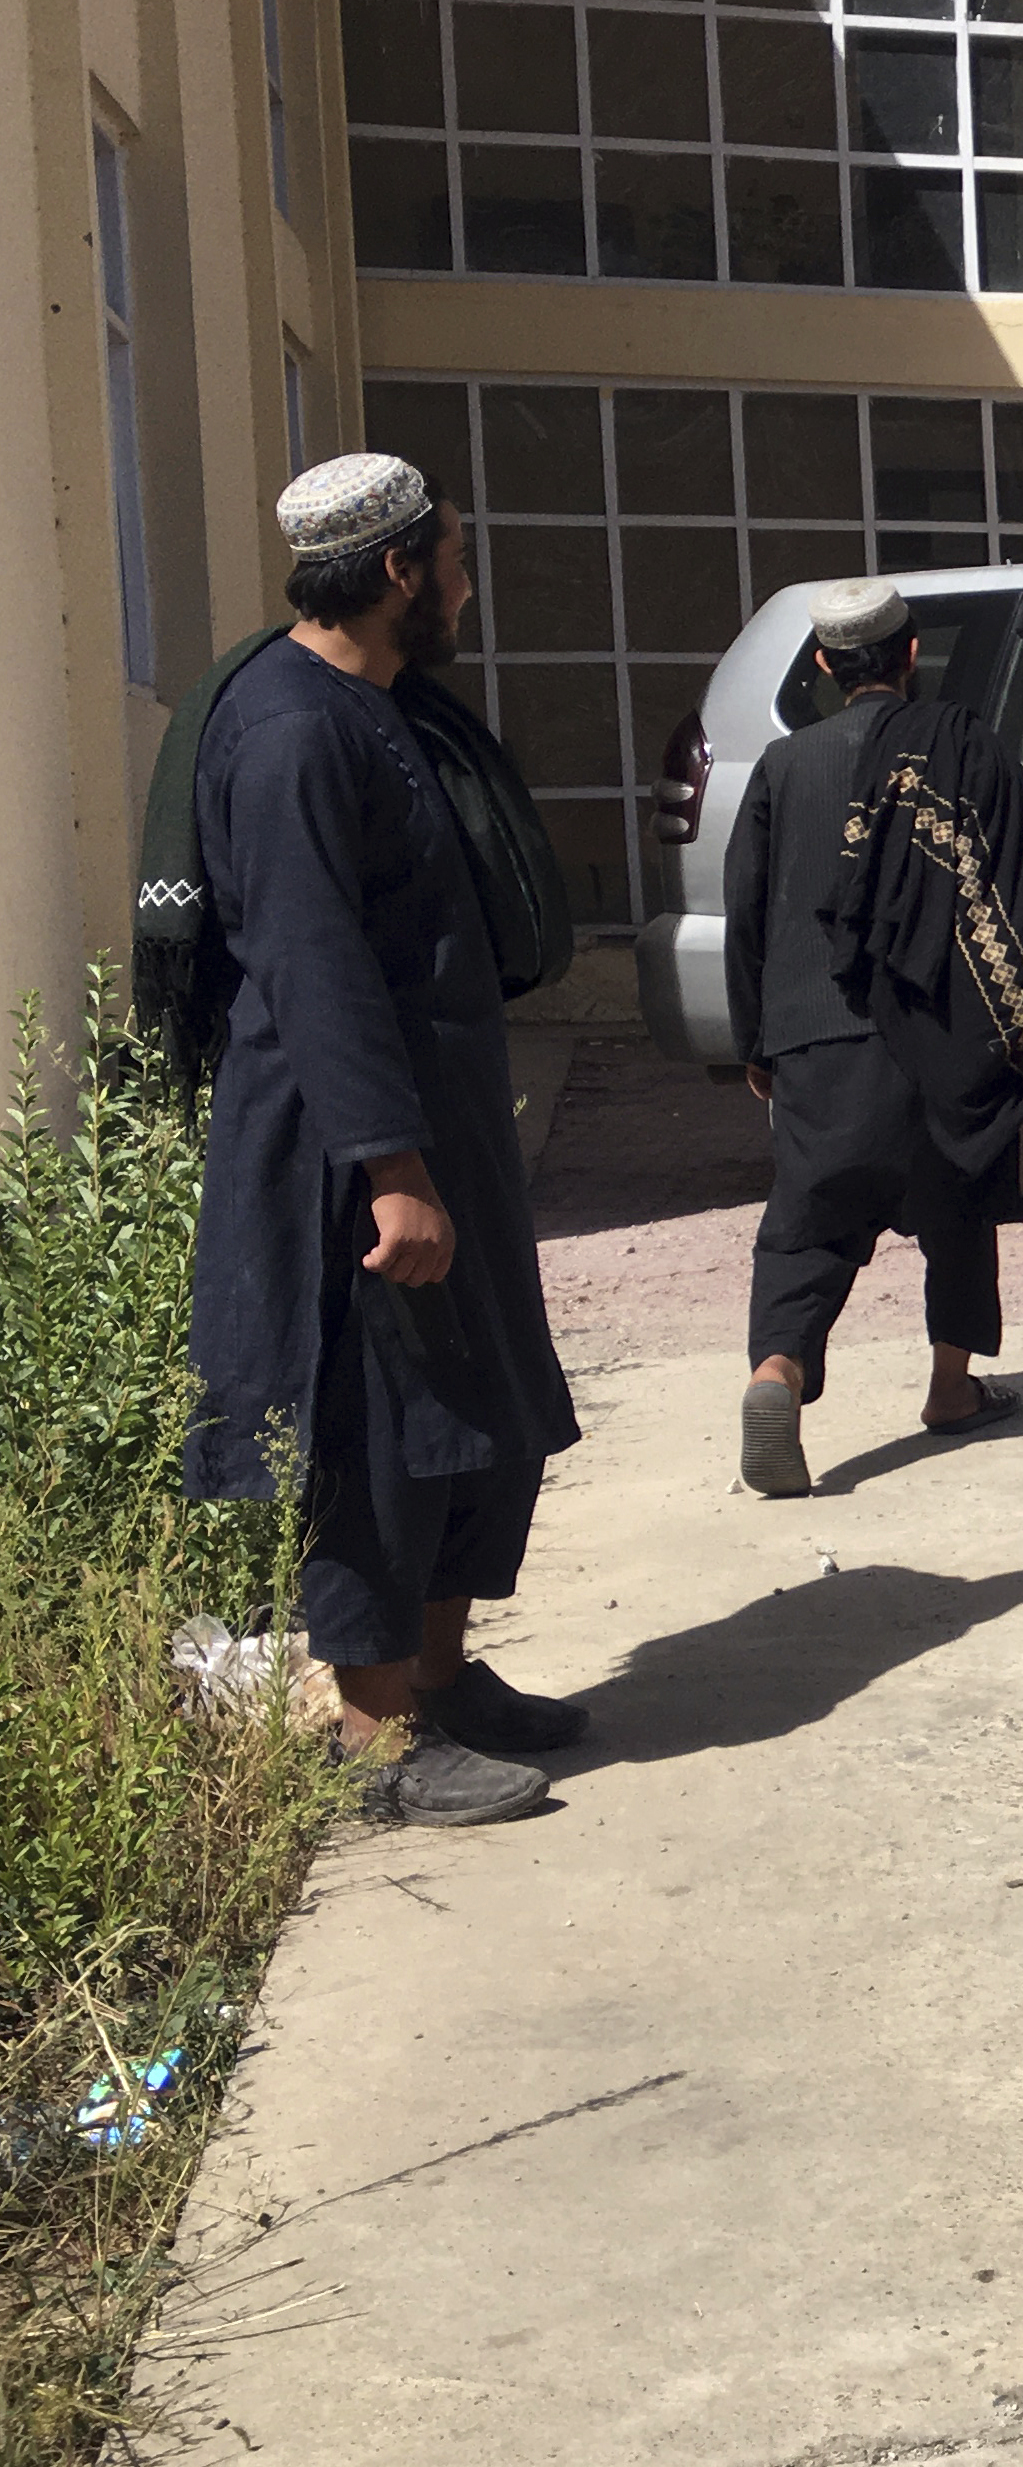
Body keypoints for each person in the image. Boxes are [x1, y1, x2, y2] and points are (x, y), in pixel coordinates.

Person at [170, 456, 584, 1827]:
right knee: (378, 1436)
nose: (465, 583)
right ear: (399, 569)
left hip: (433, 1138)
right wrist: (393, 1171)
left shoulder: (379, 705)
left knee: (474, 1416)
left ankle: (446, 1678)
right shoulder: (293, 729)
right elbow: (312, 965)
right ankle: (373, 1735)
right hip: (350, 1162)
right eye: (455, 559)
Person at [728, 581, 1023, 1497]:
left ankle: (778, 1373)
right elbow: (1018, 884)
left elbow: (748, 911)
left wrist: (757, 1043)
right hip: (938, 1027)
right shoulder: (962, 749)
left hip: (816, 1030)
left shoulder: (784, 766)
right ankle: (950, 1386)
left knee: (809, 1216)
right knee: (959, 1199)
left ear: (822, 666)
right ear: (911, 653)